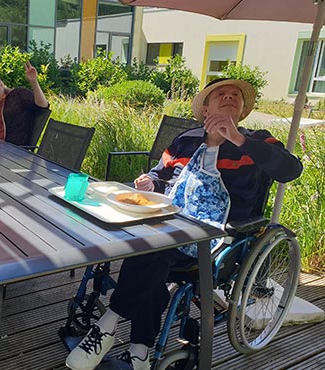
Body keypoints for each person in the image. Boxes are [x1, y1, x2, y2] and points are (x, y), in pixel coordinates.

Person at [65, 78, 303, 370]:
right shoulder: (185, 140)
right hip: (170, 224)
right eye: (220, 94)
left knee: (152, 250)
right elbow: (159, 171)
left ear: (242, 109)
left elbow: (291, 170)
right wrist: (150, 180)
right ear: (205, 108)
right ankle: (139, 354)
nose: (229, 97)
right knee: (149, 252)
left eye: (235, 95)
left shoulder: (257, 140)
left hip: (218, 238)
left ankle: (107, 325)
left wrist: (238, 140)